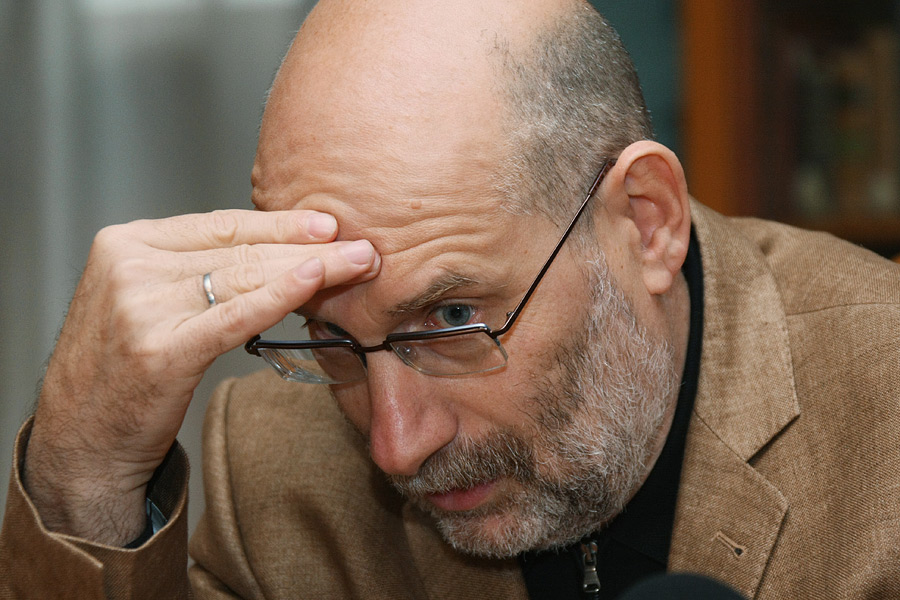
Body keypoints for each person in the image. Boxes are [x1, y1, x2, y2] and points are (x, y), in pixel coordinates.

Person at [1, 0, 898, 598]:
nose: (396, 445)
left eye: (453, 318)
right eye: (330, 337)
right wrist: (85, 468)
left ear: (645, 222)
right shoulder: (275, 470)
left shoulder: (884, 411)